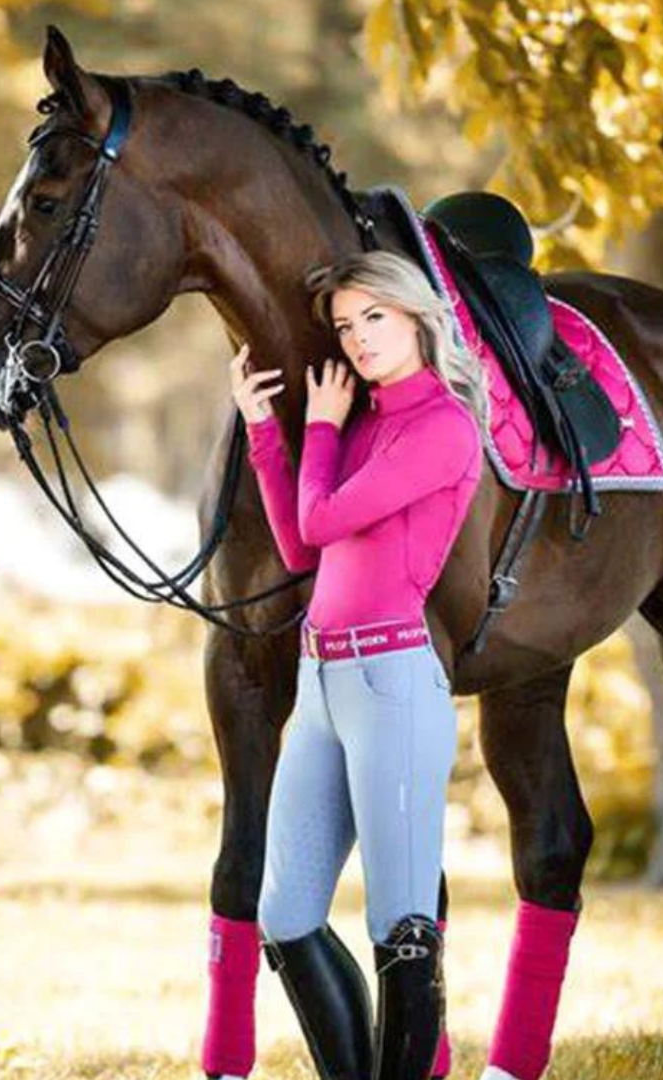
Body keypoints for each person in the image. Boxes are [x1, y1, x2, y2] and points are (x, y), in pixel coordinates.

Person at [228, 250, 489, 1080]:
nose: (359, 337)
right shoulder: (368, 423)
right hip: (321, 685)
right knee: (287, 915)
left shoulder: (444, 427)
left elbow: (326, 508)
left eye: (374, 317)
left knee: (402, 926)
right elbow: (304, 540)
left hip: (392, 687)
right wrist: (266, 428)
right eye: (345, 325)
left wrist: (322, 430)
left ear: (416, 316)